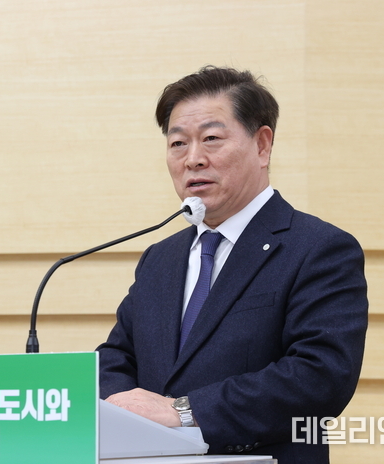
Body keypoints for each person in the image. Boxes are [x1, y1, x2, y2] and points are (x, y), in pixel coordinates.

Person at [96, 66, 368, 463]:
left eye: (211, 139)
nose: (193, 159)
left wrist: (185, 412)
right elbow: (116, 358)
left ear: (262, 145)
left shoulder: (319, 248)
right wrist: (123, 408)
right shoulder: (160, 258)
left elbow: (320, 376)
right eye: (178, 143)